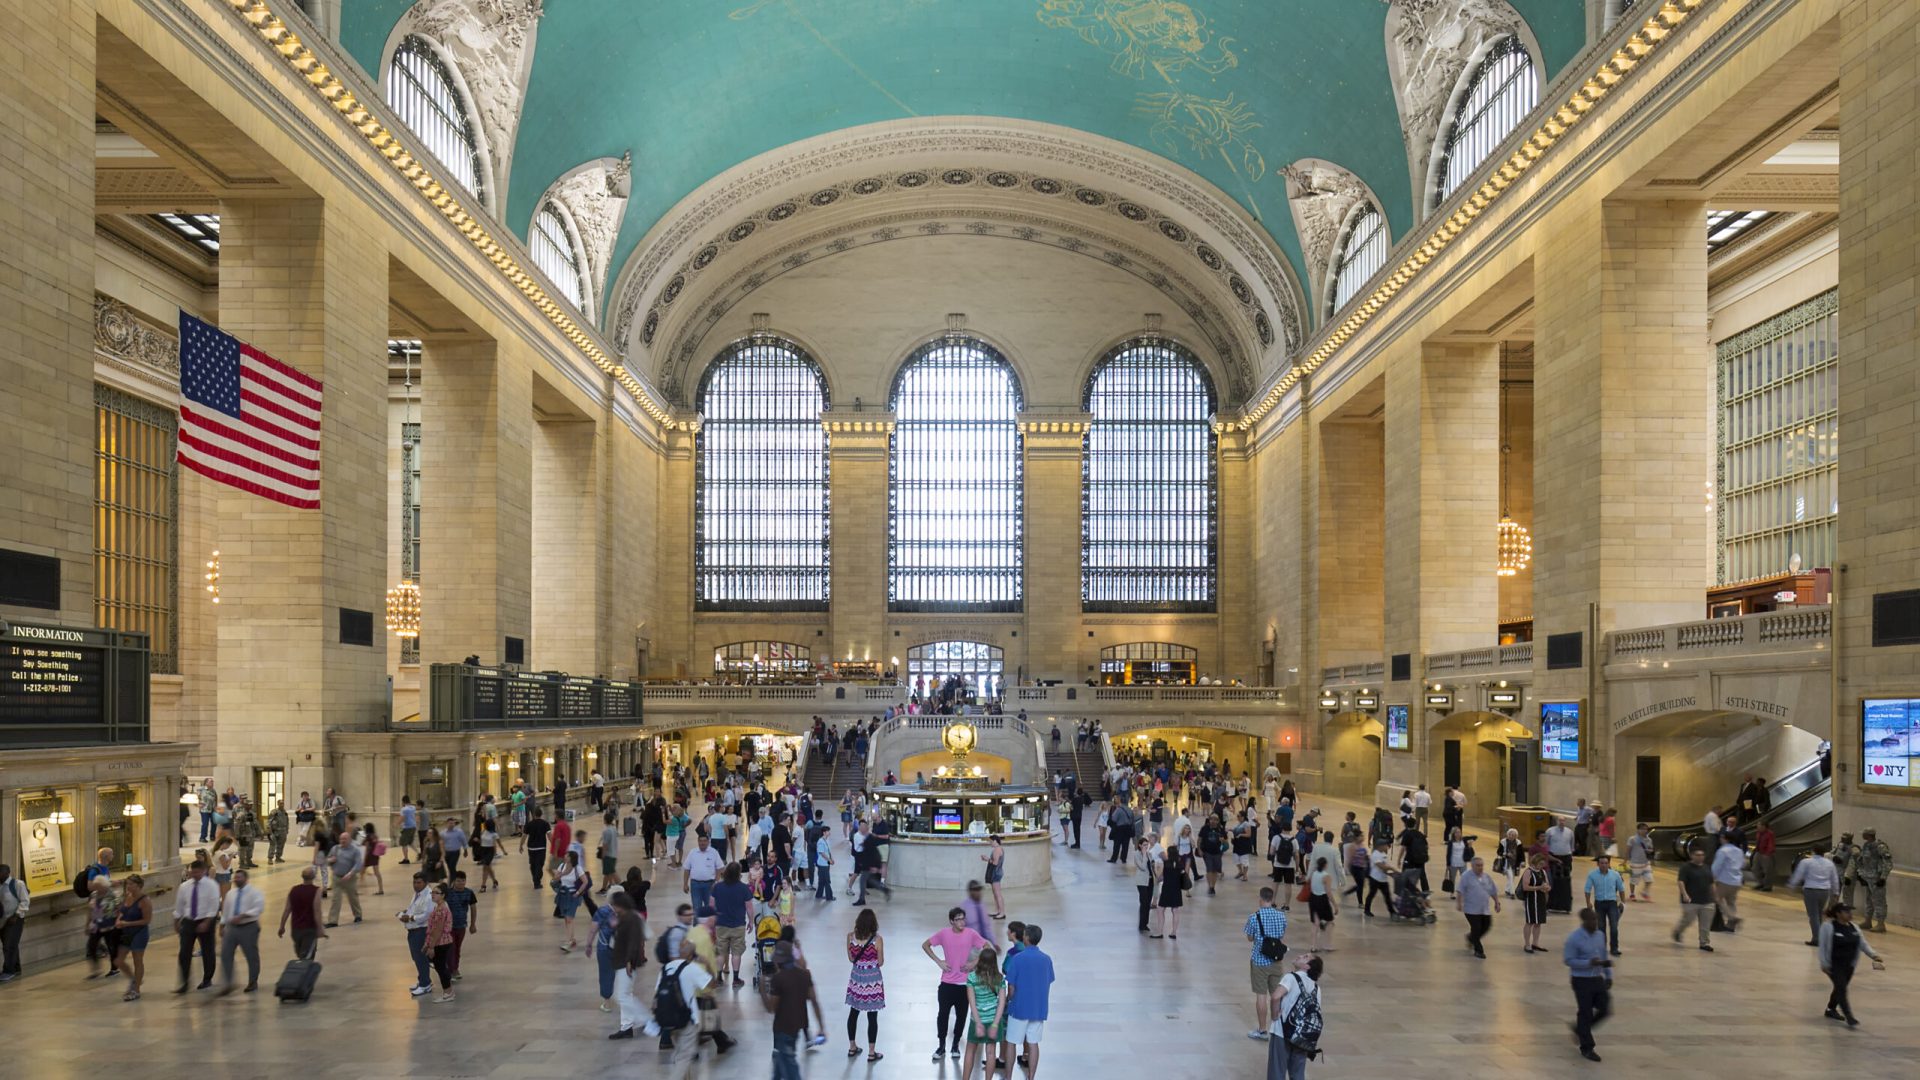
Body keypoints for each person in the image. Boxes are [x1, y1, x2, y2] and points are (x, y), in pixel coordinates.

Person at [923, 905, 991, 1062]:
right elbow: (925, 945)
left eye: (963, 918)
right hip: (946, 983)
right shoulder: (944, 934)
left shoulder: (971, 934)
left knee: (961, 1016)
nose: (962, 922)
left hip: (964, 985)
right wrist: (938, 961)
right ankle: (941, 1046)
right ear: (951, 921)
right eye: (958, 919)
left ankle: (955, 1045)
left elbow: (986, 947)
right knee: (943, 1015)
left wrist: (974, 962)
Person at [762, 939, 828, 1080]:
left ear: (778, 961)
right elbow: (814, 1001)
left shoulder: (778, 979)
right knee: (780, 1062)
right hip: (798, 1025)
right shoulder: (805, 975)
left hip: (782, 1028)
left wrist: (762, 991)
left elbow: (771, 1008)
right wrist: (821, 1027)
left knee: (790, 1066)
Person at [1818, 902, 1886, 1026]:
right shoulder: (1828, 927)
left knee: (1839, 988)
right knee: (1842, 988)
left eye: (1850, 911)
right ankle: (1849, 1016)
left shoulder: (1854, 927)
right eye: (1846, 912)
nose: (1850, 914)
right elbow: (1822, 947)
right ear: (1838, 914)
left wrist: (1874, 955)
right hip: (1834, 965)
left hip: (1849, 965)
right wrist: (1824, 964)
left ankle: (1830, 1009)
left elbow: (1863, 944)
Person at [657, 934, 714, 1080]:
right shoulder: (691, 968)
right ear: (692, 954)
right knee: (683, 1057)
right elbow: (711, 985)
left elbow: (658, 993)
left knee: (682, 1053)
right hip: (688, 1019)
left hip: (669, 1018)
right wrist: (707, 964)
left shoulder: (666, 968)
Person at [1003, 923, 1054, 1077]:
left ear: (1026, 937)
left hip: (1019, 1007)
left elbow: (1011, 987)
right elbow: (1049, 980)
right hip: (1038, 1009)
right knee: (1033, 1043)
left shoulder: (1018, 959)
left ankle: (1009, 1076)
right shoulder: (1046, 959)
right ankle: (1031, 1076)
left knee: (1011, 1042)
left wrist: (1008, 1001)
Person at [604, 890, 656, 1039]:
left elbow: (634, 942)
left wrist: (629, 961)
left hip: (626, 962)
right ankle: (626, 1026)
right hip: (622, 960)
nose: (613, 907)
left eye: (615, 905)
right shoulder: (625, 917)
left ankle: (645, 1019)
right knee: (624, 994)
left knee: (621, 996)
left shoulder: (631, 919)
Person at [1565, 907, 1613, 1061]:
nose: (1595, 923)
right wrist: (1588, 963)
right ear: (1584, 921)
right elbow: (1569, 960)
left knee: (1605, 1009)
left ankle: (1580, 1030)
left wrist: (1608, 975)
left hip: (1597, 979)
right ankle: (1587, 1047)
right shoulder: (1574, 938)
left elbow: (1604, 955)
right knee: (1585, 1012)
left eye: (1596, 920)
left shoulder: (1600, 935)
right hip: (1581, 980)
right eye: (1592, 920)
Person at [1267, 953, 1323, 1080]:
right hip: (1302, 1037)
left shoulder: (1291, 978)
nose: (1300, 955)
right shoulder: (1316, 988)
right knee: (1297, 1073)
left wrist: (1275, 1016)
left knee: (1277, 1071)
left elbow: (1275, 996)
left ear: (1307, 966)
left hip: (1282, 1032)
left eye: (1305, 957)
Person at [1244, 889, 1290, 1040]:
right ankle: (1278, 1029)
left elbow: (1250, 938)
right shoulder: (1281, 915)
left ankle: (1262, 1030)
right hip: (1276, 961)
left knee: (1261, 996)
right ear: (1272, 899)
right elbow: (1281, 935)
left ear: (1260, 899)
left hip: (1259, 960)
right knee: (1277, 996)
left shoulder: (1254, 917)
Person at [845, 907, 887, 1061]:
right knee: (872, 1016)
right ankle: (871, 1052)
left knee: (853, 1012)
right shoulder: (877, 940)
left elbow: (851, 958)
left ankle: (852, 1047)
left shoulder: (850, 937)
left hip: (857, 977)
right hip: (872, 979)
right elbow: (881, 962)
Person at [962, 945, 1009, 1080]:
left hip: (977, 1020)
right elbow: (1001, 1003)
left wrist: (978, 1023)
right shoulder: (999, 979)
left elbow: (972, 1003)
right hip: (994, 1019)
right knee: (990, 1052)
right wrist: (995, 1024)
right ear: (994, 961)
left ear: (980, 961)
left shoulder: (971, 977)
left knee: (970, 1050)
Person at [710, 862, 753, 986]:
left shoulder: (717, 887)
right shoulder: (744, 888)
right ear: (739, 874)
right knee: (736, 953)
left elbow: (711, 905)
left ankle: (718, 978)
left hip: (721, 924)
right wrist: (751, 922)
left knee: (720, 951)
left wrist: (712, 921)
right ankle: (735, 979)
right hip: (738, 925)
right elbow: (749, 907)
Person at [1788, 845, 1841, 944]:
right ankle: (1821, 937)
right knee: (1819, 914)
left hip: (1810, 890)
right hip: (1824, 891)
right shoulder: (1829, 863)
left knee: (1813, 915)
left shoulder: (1806, 862)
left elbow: (1799, 874)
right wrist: (1836, 892)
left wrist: (1792, 885)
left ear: (1813, 851)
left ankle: (1817, 939)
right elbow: (1834, 878)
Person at [112, 873, 153, 1000]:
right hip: (127, 932)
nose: (128, 887)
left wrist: (128, 923)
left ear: (139, 885)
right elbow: (122, 912)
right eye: (127, 884)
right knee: (118, 961)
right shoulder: (128, 897)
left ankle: (136, 989)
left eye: (131, 884)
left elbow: (146, 920)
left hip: (139, 932)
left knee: (137, 960)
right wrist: (119, 920)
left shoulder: (145, 901)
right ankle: (134, 980)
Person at [1671, 846, 1716, 952]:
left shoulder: (1707, 867)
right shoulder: (1686, 867)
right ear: (1692, 856)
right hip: (1691, 900)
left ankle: (1704, 943)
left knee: (1705, 924)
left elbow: (1711, 882)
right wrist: (1685, 894)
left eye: (1702, 855)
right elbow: (1681, 882)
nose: (1700, 857)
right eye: (1697, 855)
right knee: (1688, 920)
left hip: (1707, 900)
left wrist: (1715, 896)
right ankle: (1678, 931)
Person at [398, 872, 435, 997]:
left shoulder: (429, 896)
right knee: (416, 957)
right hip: (412, 930)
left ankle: (425, 985)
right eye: (414, 882)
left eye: (419, 882)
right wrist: (405, 912)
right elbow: (413, 907)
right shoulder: (417, 894)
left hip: (421, 930)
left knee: (421, 958)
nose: (416, 885)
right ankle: (422, 980)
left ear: (425, 883)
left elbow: (427, 914)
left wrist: (411, 917)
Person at [1456, 855, 1500, 958]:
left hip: (1484, 909)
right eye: (1478, 865)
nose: (1480, 867)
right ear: (1472, 866)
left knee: (1486, 926)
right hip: (1471, 909)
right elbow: (1460, 891)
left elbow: (1493, 891)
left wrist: (1497, 902)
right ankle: (1478, 950)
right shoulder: (1466, 876)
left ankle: (1471, 938)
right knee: (1476, 928)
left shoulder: (1486, 877)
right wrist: (1459, 903)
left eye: (1481, 865)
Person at [277, 866, 325, 962]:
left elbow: (287, 910)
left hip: (296, 930)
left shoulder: (294, 890)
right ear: (314, 877)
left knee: (301, 955)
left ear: (302, 877)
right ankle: (305, 975)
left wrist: (282, 926)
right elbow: (317, 911)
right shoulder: (316, 890)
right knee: (307, 958)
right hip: (309, 929)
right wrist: (320, 928)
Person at [1583, 853, 1626, 956]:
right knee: (1601, 927)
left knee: (1614, 926)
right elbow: (1587, 889)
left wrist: (1623, 902)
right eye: (1602, 863)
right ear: (1598, 864)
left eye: (1606, 863)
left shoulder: (1615, 875)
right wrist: (1588, 902)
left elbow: (1621, 889)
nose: (1604, 865)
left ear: (1609, 864)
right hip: (1599, 903)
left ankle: (1614, 948)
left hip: (1612, 903)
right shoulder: (1592, 875)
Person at [324, 827, 364, 927]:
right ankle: (333, 921)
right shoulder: (335, 848)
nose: (342, 841)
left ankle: (358, 915)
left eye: (345, 839)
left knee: (353, 898)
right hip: (337, 878)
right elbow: (327, 860)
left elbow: (358, 864)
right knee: (335, 899)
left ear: (349, 840)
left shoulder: (355, 850)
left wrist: (351, 873)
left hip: (349, 878)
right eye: (341, 839)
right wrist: (330, 860)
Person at [1854, 827, 1892, 932]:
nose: (1862, 835)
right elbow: (1862, 860)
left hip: (1877, 878)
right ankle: (1868, 921)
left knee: (1879, 901)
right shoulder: (1866, 845)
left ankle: (1880, 924)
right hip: (1867, 877)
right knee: (1869, 900)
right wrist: (1860, 874)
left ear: (1869, 835)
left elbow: (1888, 863)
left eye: (1864, 834)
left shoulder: (1880, 847)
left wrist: (1883, 877)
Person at [444, 871, 478, 981]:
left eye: (463, 881)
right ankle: (453, 970)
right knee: (451, 948)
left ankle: (454, 968)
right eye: (458, 881)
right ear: (454, 881)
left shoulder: (469, 893)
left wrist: (473, 924)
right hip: (448, 927)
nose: (461, 883)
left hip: (461, 925)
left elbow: (473, 908)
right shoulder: (447, 893)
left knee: (457, 948)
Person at [553, 849, 589, 952]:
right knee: (567, 918)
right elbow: (555, 878)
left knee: (569, 918)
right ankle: (572, 939)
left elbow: (585, 882)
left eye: (567, 856)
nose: (565, 857)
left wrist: (578, 893)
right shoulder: (562, 866)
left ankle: (568, 942)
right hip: (563, 895)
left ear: (572, 858)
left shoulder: (577, 868)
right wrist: (563, 873)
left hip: (573, 895)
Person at [0, 863, 30, 983]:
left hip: (14, 919)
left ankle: (8, 970)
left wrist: (16, 915)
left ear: (7, 873)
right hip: (2, 919)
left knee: (9, 945)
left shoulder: (18, 884)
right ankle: (16, 967)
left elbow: (25, 901)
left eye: (1, 873)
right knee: (10, 944)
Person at [1710, 833, 1745, 932]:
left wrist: (1711, 877)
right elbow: (1742, 864)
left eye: (1721, 837)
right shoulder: (1739, 851)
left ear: (1725, 839)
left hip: (1724, 880)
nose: (1720, 839)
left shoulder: (1722, 851)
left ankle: (1732, 918)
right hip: (1737, 880)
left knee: (1717, 899)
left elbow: (1716, 866)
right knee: (1731, 902)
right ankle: (1730, 926)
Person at [1152, 841, 1187, 939]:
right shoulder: (1180, 864)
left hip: (1167, 889)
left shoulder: (1166, 863)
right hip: (1176, 889)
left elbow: (1161, 877)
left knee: (1160, 909)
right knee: (1175, 910)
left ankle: (1159, 931)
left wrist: (1156, 876)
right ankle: (1174, 932)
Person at [682, 832, 723, 913]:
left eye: (704, 841)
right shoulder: (692, 853)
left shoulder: (714, 852)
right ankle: (697, 925)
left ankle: (709, 925)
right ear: (698, 842)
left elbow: (719, 868)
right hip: (695, 885)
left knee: (710, 908)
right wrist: (685, 884)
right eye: (700, 841)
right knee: (697, 908)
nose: (702, 843)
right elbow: (687, 869)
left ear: (708, 842)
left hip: (710, 885)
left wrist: (716, 881)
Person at [1519, 852, 1550, 953]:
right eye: (1540, 864)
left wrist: (1547, 888)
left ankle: (1535, 943)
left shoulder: (1542, 872)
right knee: (1530, 922)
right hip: (1531, 899)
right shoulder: (1528, 872)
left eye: (1543, 864)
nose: (1542, 866)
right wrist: (1539, 887)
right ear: (1535, 862)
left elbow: (1547, 884)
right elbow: (1525, 887)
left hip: (1540, 899)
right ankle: (1527, 944)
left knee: (1538, 923)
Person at [1305, 856, 1336, 952]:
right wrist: (1335, 905)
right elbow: (1328, 892)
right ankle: (1328, 945)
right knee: (1330, 922)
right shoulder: (1326, 876)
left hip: (1313, 898)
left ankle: (1313, 946)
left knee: (1315, 923)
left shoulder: (1313, 873)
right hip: (1322, 900)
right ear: (1325, 865)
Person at [1624, 822, 1656, 902]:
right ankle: (1632, 894)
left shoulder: (1649, 839)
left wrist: (1650, 851)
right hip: (1635, 863)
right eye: (1642, 829)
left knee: (1649, 879)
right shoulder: (1632, 839)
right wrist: (1625, 861)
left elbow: (1651, 849)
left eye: (1646, 829)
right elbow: (1628, 850)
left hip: (1646, 863)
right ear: (1638, 830)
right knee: (1633, 880)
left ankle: (1644, 892)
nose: (1644, 831)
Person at [523, 807, 552, 890]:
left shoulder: (529, 824)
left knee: (533, 864)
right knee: (540, 864)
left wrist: (521, 845)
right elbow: (549, 835)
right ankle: (537, 881)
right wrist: (553, 845)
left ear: (533, 814)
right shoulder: (545, 824)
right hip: (541, 847)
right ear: (541, 814)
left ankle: (535, 879)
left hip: (531, 848)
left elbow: (524, 836)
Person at [983, 833, 1007, 918]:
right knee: (996, 893)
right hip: (997, 872)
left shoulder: (997, 850)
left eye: (990, 841)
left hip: (996, 873)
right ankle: (998, 911)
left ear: (995, 841)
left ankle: (1002, 913)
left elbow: (995, 863)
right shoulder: (999, 849)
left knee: (997, 893)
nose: (990, 843)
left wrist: (987, 859)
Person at [398, 796, 418, 864]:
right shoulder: (413, 807)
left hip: (407, 827)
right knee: (410, 842)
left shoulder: (404, 809)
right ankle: (419, 853)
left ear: (403, 801)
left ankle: (406, 859)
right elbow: (414, 816)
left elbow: (402, 818)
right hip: (413, 826)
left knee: (404, 844)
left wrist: (396, 824)